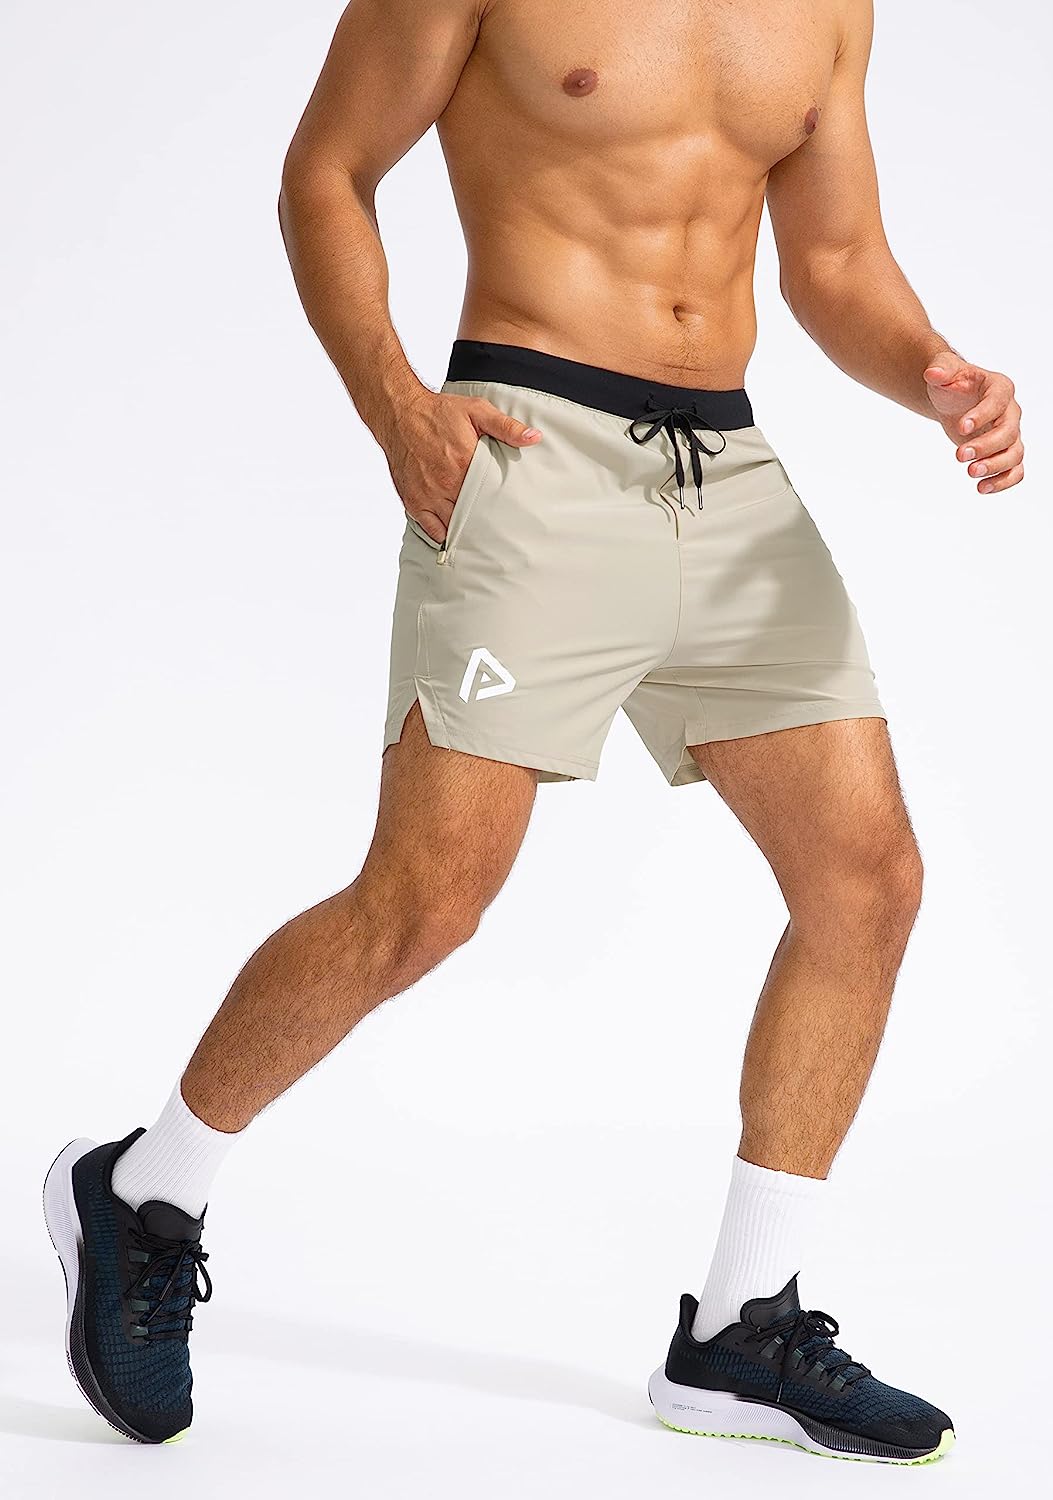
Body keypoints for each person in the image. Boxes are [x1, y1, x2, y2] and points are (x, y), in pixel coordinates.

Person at [43, 0, 1022, 1462]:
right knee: (426, 900)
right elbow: (326, 171)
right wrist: (395, 405)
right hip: (527, 446)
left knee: (865, 884)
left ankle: (738, 1331)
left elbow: (834, 261)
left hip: (729, 475)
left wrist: (934, 370)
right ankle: (142, 1192)